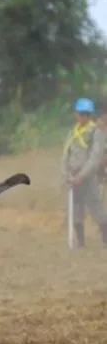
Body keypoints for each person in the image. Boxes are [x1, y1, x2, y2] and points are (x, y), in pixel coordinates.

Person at [61, 98, 107, 248]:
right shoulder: (72, 132)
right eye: (80, 113)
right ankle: (80, 243)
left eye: (86, 114)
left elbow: (95, 158)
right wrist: (66, 173)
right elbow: (65, 154)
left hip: (87, 177)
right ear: (76, 113)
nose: (82, 116)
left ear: (90, 115)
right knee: (76, 211)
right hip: (72, 177)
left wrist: (81, 176)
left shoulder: (96, 132)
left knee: (96, 209)